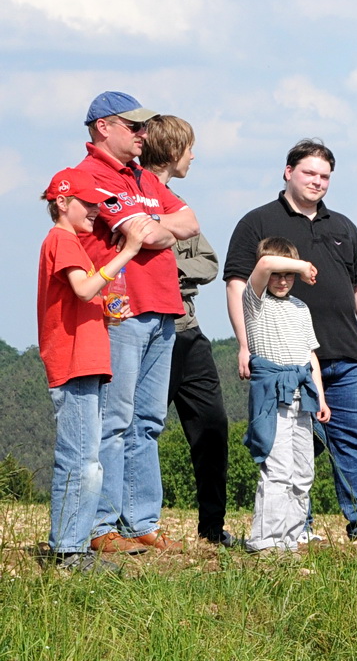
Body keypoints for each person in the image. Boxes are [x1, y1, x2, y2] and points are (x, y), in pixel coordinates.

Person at [223, 140, 357, 542]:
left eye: (325, 176)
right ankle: (299, 527)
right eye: (310, 173)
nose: (318, 182)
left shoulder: (343, 226)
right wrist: (245, 346)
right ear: (288, 172)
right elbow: (237, 285)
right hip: (284, 361)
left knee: (353, 439)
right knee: (295, 447)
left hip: (346, 353)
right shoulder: (257, 222)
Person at [74, 91, 201, 554]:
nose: (144, 134)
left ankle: (141, 520)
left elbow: (189, 223)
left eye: (145, 127)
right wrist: (155, 223)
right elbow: (143, 235)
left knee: (147, 420)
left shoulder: (145, 177)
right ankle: (103, 524)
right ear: (103, 127)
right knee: (115, 418)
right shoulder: (88, 176)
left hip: (164, 307)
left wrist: (153, 223)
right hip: (121, 310)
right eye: (135, 126)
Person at [36, 169, 145, 571]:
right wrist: (129, 250)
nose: (96, 210)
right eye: (88, 203)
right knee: (80, 459)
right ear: (62, 202)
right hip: (74, 361)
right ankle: (68, 551)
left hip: (88, 358)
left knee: (88, 458)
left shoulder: (71, 242)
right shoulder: (62, 239)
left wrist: (106, 310)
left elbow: (82, 297)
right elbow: (82, 287)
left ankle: (73, 545)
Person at [141, 114, 232, 547]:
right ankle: (137, 526)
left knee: (212, 427)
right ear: (174, 151)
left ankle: (212, 529)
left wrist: (167, 267)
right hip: (148, 331)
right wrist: (170, 270)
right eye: (189, 148)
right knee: (142, 428)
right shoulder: (133, 200)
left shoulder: (178, 207)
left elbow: (209, 263)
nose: (193, 156)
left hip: (188, 331)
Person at [240, 240, 330, 552]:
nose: (281, 280)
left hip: (301, 395)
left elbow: (310, 356)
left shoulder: (300, 308)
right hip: (272, 395)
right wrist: (302, 266)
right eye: (279, 274)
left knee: (303, 471)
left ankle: (290, 538)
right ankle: (265, 539)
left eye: (287, 275)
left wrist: (320, 397)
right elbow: (264, 265)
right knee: (277, 470)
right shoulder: (255, 301)